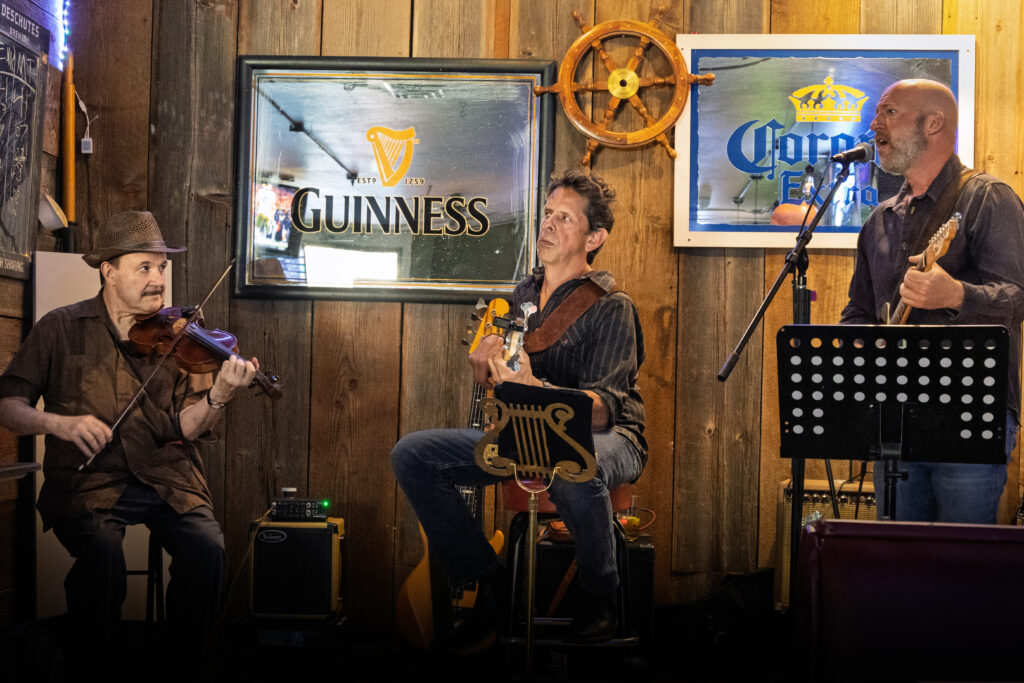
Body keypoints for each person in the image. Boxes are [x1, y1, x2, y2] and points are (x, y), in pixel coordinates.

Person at [391, 170, 646, 649]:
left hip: (611, 439)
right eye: (547, 213)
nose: (547, 224)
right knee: (413, 454)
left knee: (574, 467)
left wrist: (535, 386)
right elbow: (506, 386)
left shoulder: (613, 307)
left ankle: (601, 596)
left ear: (594, 238)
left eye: (564, 218)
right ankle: (489, 584)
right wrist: (485, 370)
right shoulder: (521, 297)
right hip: (527, 433)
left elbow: (604, 412)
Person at [0, 211, 258, 665]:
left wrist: (218, 397)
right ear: (109, 271)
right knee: (101, 557)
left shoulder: (180, 336)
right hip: (90, 482)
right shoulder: (60, 327)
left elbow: (187, 427)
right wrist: (60, 424)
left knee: (208, 550)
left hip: (167, 477)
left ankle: (185, 663)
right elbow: (8, 405)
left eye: (162, 267)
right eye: (144, 267)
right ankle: (92, 661)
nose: (158, 279)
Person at [840, 79, 1024, 523]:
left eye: (889, 112)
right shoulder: (880, 220)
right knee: (896, 557)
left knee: (960, 557)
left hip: (971, 412)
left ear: (934, 123)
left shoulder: (987, 197)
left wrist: (956, 294)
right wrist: (862, 344)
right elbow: (858, 312)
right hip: (893, 417)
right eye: (877, 114)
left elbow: (1018, 299)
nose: (874, 124)